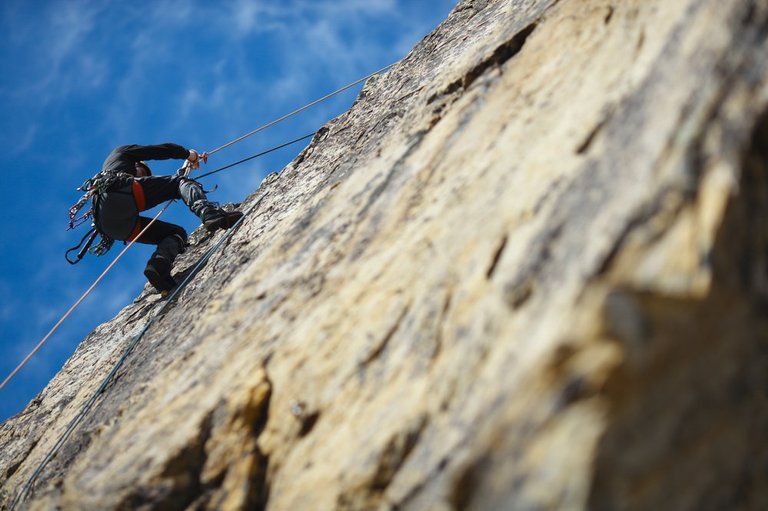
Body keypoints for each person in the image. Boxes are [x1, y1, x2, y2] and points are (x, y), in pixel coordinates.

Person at [91, 143, 243, 294]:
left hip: (109, 226)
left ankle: (158, 267)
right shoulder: (121, 153)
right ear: (136, 164)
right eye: (143, 173)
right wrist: (189, 154)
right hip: (120, 191)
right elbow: (157, 150)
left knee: (176, 234)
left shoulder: (110, 172)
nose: (143, 178)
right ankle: (209, 213)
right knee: (180, 182)